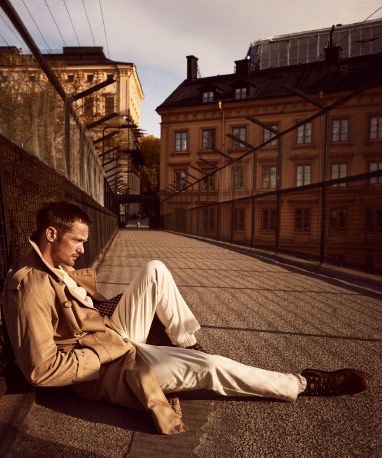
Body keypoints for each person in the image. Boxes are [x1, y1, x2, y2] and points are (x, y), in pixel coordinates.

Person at [2, 201, 371, 435]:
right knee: (212, 366)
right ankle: (303, 384)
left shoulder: (50, 264)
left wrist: (106, 318)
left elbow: (77, 311)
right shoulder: (30, 285)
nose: (84, 249)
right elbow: (42, 370)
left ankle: (186, 346)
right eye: (77, 242)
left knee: (155, 269)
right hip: (106, 364)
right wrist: (107, 348)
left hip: (107, 334)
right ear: (52, 233)